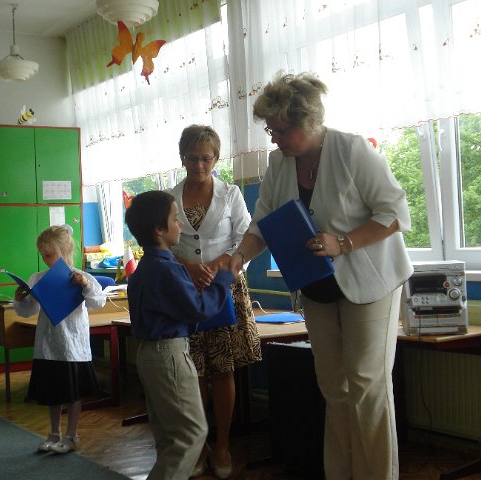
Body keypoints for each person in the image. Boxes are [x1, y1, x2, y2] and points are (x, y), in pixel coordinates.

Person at [229, 71, 413, 479]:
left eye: (281, 131)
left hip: (371, 282)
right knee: (333, 387)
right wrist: (238, 256)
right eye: (270, 131)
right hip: (315, 286)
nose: (274, 139)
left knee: (367, 385)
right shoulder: (279, 163)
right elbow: (262, 224)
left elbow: (395, 214)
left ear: (309, 121)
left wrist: (343, 243)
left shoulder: (352, 150)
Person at [167, 124, 261, 478]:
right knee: (192, 371)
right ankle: (199, 445)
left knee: (223, 370)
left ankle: (222, 445)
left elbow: (246, 235)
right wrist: (186, 266)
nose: (199, 165)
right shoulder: (169, 197)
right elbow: (161, 243)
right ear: (182, 158)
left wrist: (224, 262)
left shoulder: (231, 193)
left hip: (224, 287)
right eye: (192, 158)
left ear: (216, 159)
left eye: (206, 158)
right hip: (185, 289)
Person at [125, 190, 234, 480]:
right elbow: (199, 309)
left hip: (150, 355)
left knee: (169, 437)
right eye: (175, 219)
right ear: (159, 230)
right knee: (191, 434)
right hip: (169, 356)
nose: (181, 225)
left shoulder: (147, 268)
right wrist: (223, 279)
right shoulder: (166, 269)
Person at [13, 225, 105, 455]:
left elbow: (98, 302)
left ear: (64, 251)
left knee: (73, 392)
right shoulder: (38, 278)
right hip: (48, 345)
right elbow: (27, 310)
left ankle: (71, 435)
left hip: (73, 345)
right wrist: (20, 299)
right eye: (42, 255)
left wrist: (84, 285)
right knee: (52, 391)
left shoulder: (81, 277)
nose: (45, 259)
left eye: (49, 254)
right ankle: (54, 433)